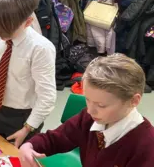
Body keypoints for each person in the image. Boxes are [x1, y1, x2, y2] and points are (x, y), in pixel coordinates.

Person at [19, 54, 154, 167]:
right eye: (87, 100)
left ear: (134, 101)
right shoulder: (89, 118)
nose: (90, 111)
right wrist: (30, 146)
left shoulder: (146, 146)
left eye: (101, 105)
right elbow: (56, 138)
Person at [0, 0, 57, 147]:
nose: (1, 36)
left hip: (25, 118)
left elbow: (47, 96)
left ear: (28, 22)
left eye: (7, 32)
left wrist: (27, 129)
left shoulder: (41, 48)